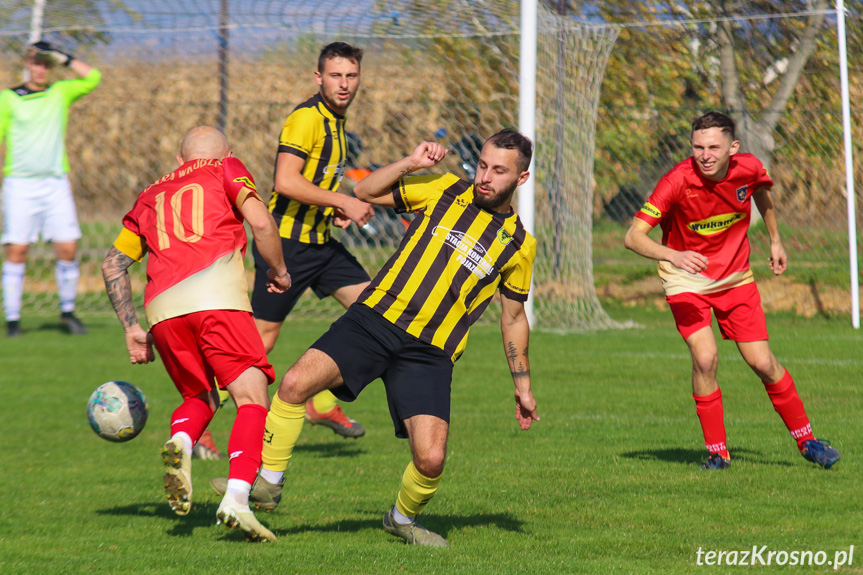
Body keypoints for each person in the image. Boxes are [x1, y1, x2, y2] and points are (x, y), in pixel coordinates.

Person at [212, 129, 541, 547]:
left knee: (431, 458)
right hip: (374, 320)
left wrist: (523, 385)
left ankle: (401, 520)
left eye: (498, 171)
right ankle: (268, 483)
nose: (485, 177)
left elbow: (513, 319)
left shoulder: (519, 246)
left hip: (430, 352)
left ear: (521, 179)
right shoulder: (442, 188)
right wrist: (412, 163)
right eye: (481, 165)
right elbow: (364, 191)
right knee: (294, 383)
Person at [101, 126, 291, 542]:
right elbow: (261, 222)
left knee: (200, 396)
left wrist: (133, 328)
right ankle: (237, 499)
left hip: (162, 310)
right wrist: (278, 270)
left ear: (179, 158)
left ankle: (182, 439)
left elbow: (112, 265)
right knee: (253, 395)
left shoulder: (150, 194)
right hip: (216, 297)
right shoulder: (227, 167)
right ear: (229, 152)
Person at [623, 111, 841, 470]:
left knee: (763, 362)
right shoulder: (676, 181)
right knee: (705, 357)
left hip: (735, 278)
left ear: (732, 147)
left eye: (713, 147)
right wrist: (673, 255)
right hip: (686, 281)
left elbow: (763, 196)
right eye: (697, 147)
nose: (705, 155)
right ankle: (717, 453)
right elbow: (633, 236)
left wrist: (775, 240)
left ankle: (808, 441)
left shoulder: (749, 168)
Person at [247, 41, 375, 440]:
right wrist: (342, 200)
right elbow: (285, 182)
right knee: (257, 344)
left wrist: (329, 209)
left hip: (320, 244)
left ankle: (318, 401)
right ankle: (200, 420)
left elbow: (310, 183)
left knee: (374, 310)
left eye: (350, 75)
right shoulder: (306, 119)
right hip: (286, 246)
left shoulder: (336, 119)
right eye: (335, 75)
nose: (344, 84)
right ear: (319, 77)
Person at [0, 41, 101, 337]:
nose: (41, 69)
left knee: (67, 248)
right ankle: (13, 320)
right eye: (36, 63)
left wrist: (66, 57)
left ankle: (68, 312)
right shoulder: (9, 98)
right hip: (20, 183)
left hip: (55, 183)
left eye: (46, 64)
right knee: (17, 250)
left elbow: (93, 77)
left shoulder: (60, 92)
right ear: (27, 65)